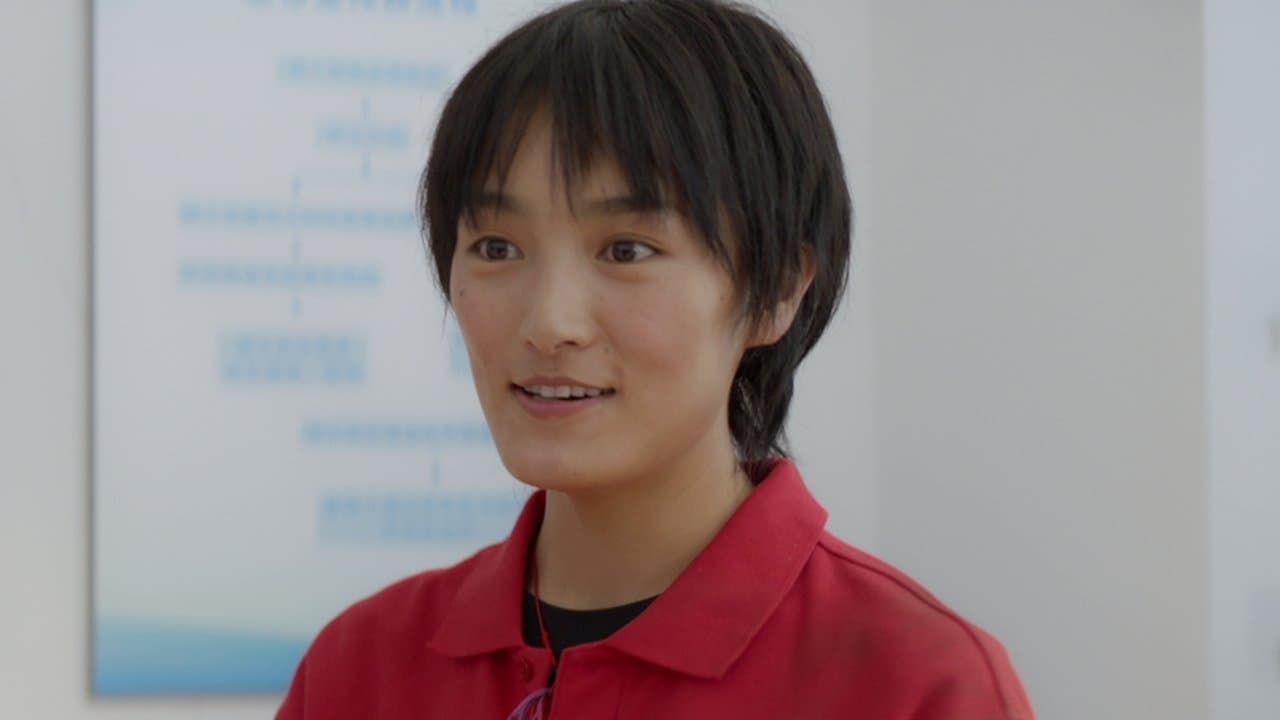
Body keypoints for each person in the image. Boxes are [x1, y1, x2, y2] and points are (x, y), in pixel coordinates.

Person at [277, 0, 1035, 717]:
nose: (549, 324)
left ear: (777, 289)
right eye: (497, 247)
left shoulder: (915, 682)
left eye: (627, 250)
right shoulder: (359, 666)